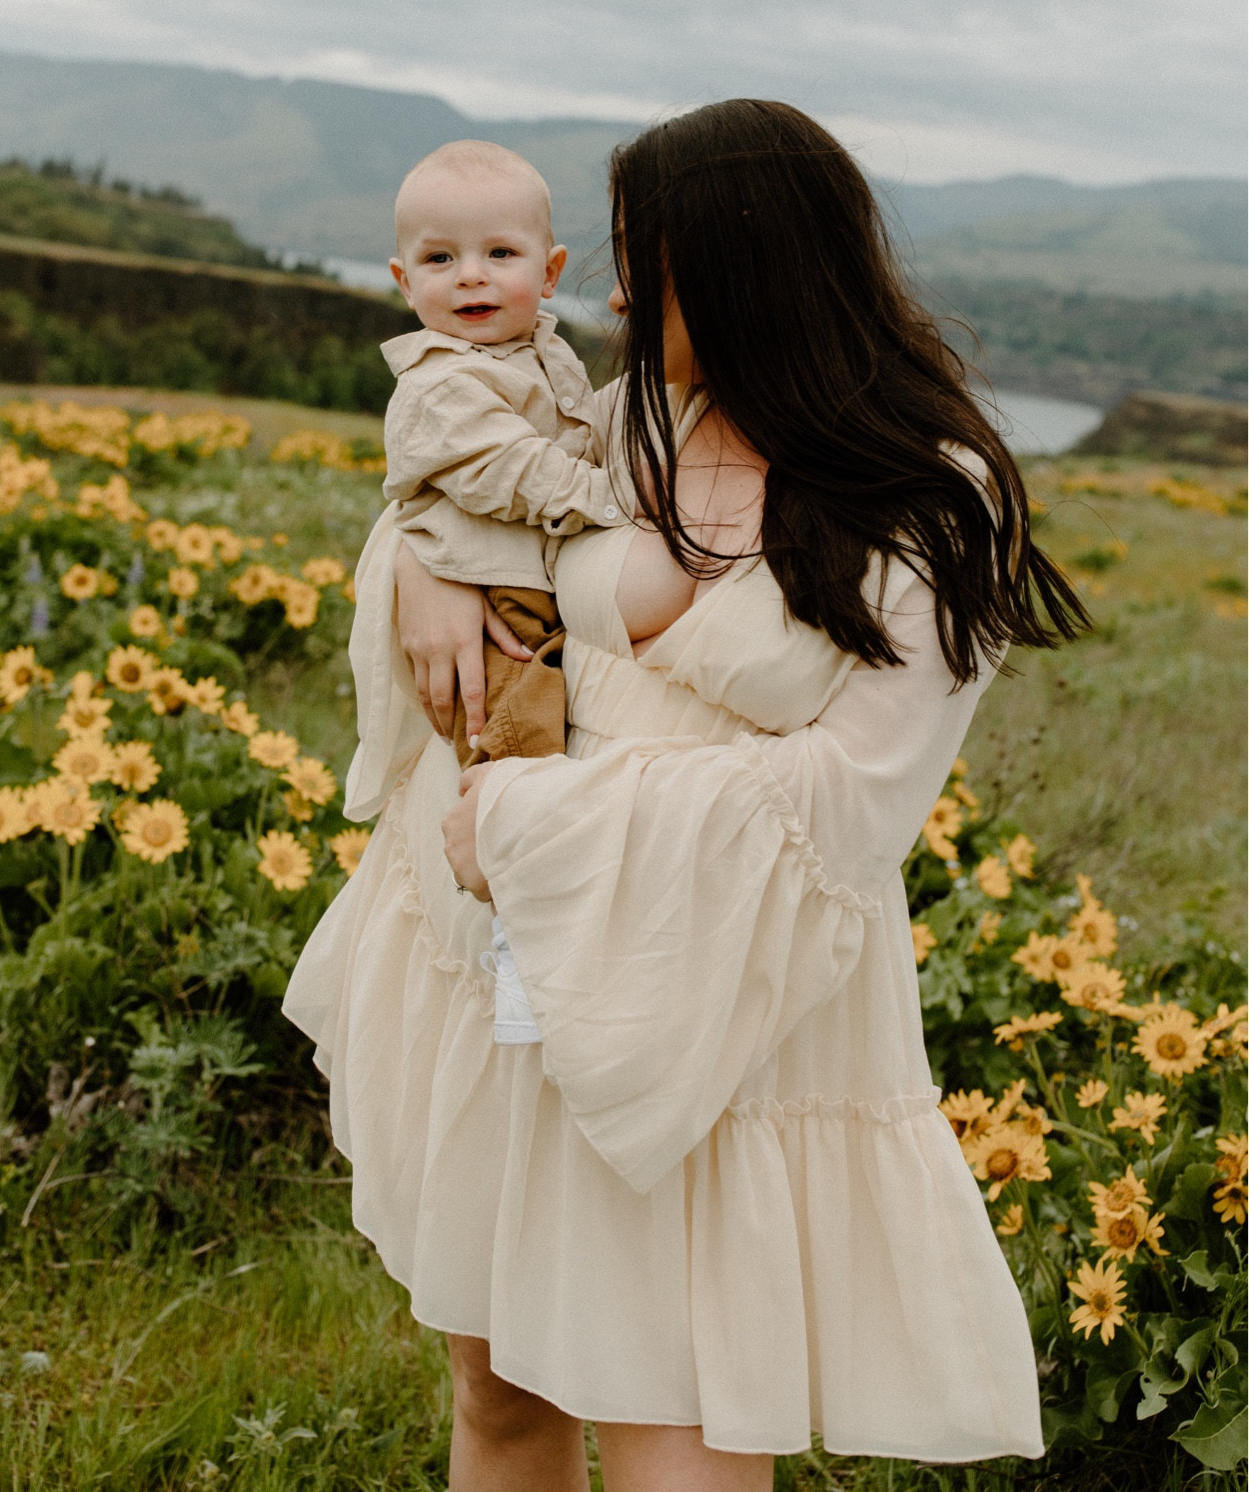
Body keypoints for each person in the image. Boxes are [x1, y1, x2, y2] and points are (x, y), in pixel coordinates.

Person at [283, 99, 1086, 1491]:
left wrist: (532, 827)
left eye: (641, 269)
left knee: (683, 1440)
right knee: (501, 1397)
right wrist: (416, 566)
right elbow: (467, 494)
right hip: (512, 968)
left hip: (723, 990)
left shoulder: (933, 499)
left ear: (739, 273)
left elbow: (849, 797)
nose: (608, 296)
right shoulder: (642, 416)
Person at [376, 138, 624, 1039]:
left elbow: (577, 429)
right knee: (517, 754)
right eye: (441, 260)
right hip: (499, 605)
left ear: (550, 270)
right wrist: (610, 502)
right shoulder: (444, 382)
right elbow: (510, 472)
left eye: (500, 255)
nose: (471, 278)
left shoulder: (540, 357)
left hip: (527, 585)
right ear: (406, 281)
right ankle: (523, 954)